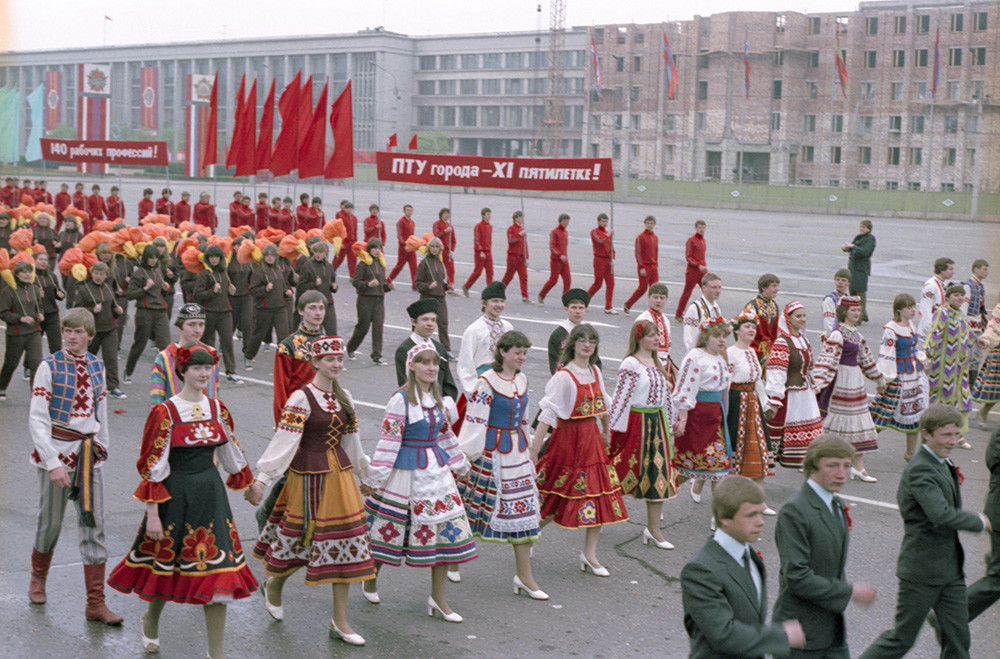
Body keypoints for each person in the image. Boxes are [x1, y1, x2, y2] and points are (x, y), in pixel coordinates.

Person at [107, 344, 257, 657]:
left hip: (211, 495)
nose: (203, 374)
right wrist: (152, 513)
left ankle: (216, 653)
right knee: (167, 566)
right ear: (183, 372)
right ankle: (151, 619)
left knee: (219, 571)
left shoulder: (217, 409)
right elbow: (152, 465)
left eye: (207, 369)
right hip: (175, 496)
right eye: (197, 369)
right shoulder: (166, 412)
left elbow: (230, 451)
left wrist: (249, 484)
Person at [247, 335, 375, 646]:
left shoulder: (346, 397)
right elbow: (284, 442)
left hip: (340, 477)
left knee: (346, 542)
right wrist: (262, 479)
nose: (336, 364)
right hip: (307, 477)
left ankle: (340, 620)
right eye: (330, 359)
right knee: (303, 541)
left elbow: (351, 441)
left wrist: (363, 474)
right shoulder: (301, 398)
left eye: (340, 359)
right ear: (315, 362)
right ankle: (275, 584)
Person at [859, 405, 991, 659]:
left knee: (958, 638)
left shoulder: (942, 462)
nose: (953, 441)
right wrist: (980, 521)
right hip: (922, 570)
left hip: (949, 570)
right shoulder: (921, 468)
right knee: (901, 639)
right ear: (926, 434)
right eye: (946, 435)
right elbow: (939, 514)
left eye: (956, 434)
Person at [361, 345, 477, 622]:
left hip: (437, 474)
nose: (431, 368)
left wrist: (460, 465)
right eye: (424, 363)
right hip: (405, 475)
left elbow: (445, 435)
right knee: (388, 533)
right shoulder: (400, 400)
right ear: (412, 366)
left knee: (446, 535)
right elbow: (389, 443)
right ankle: (370, 579)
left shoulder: (438, 400)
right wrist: (375, 478)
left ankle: (438, 599)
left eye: (434, 363)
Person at [26, 308, 123, 624]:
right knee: (50, 523)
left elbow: (102, 410)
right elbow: (38, 418)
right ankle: (38, 578)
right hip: (56, 455)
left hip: (87, 457)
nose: (70, 336)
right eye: (67, 330)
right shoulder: (48, 366)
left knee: (93, 525)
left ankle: (95, 603)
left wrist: (102, 447)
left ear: (90, 335)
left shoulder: (97, 364)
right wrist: (52, 462)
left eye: (78, 331)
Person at [531, 324, 628, 575]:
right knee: (557, 493)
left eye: (592, 341)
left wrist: (606, 431)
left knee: (598, 494)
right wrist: (534, 450)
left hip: (592, 440)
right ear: (573, 344)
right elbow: (549, 412)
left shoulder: (595, 370)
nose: (587, 345)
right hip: (568, 440)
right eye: (583, 340)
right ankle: (530, 533)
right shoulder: (564, 376)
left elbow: (603, 405)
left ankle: (590, 554)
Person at [456, 330, 546, 598]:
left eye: (524, 353)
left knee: (525, 513)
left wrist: (530, 450)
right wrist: (466, 456)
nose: (521, 357)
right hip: (492, 455)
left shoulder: (522, 380)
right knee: (473, 511)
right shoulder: (486, 382)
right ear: (503, 352)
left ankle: (525, 577)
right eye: (517, 352)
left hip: (517, 455)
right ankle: (451, 561)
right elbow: (476, 420)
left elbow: (523, 419)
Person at [773, 438, 877, 658]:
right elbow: (797, 576)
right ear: (813, 465)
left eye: (847, 466)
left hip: (831, 629)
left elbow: (831, 566)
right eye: (832, 466)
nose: (841, 474)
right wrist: (850, 591)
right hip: (801, 633)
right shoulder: (795, 510)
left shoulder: (835, 503)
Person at [681, 475, 805, 658]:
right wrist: (781, 635)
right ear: (724, 519)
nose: (760, 522)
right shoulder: (700, 570)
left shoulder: (749, 556)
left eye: (760, 513)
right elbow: (723, 634)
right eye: (750, 515)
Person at [607, 320, 677, 549]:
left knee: (658, 475)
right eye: (650, 335)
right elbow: (621, 397)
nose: (656, 338)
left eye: (657, 334)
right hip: (636, 424)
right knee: (615, 473)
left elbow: (664, 397)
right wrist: (612, 430)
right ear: (639, 338)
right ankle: (583, 511)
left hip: (656, 424)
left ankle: (654, 530)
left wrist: (671, 419)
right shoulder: (631, 363)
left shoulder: (657, 362)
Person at [812, 296, 887, 482]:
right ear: (844, 312)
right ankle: (816, 461)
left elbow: (867, 360)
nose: (856, 313)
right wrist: (818, 384)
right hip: (842, 381)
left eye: (858, 310)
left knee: (859, 421)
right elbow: (826, 360)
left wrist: (880, 379)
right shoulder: (838, 334)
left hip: (855, 381)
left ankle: (859, 467)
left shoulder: (857, 335)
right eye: (853, 310)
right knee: (837, 421)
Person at [674, 316, 734, 506]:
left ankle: (719, 518)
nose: (722, 340)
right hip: (697, 417)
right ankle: (661, 497)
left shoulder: (721, 358)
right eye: (717, 336)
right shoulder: (695, 357)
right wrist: (682, 419)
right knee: (687, 466)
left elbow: (724, 390)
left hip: (715, 416)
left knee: (719, 469)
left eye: (724, 335)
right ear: (706, 336)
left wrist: (725, 415)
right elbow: (685, 389)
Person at [871, 293, 930, 461]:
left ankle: (910, 454)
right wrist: (885, 378)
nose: (913, 310)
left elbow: (914, 348)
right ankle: (860, 447)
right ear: (899, 309)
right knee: (883, 412)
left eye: (914, 307)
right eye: (909, 307)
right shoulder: (890, 329)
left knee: (916, 413)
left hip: (914, 375)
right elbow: (886, 355)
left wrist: (922, 359)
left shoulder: (911, 325)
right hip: (899, 376)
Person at [766, 301, 824, 470]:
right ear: (788, 318)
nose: (802, 319)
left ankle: (806, 461)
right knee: (785, 431)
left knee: (812, 431)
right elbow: (776, 371)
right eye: (798, 316)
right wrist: (775, 398)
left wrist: (816, 384)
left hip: (806, 394)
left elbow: (811, 367)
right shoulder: (782, 343)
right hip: (792, 397)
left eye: (804, 316)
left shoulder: (804, 341)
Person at [727, 309, 776, 509]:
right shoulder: (730, 353)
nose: (752, 330)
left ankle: (759, 501)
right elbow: (726, 384)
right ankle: (703, 485)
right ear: (737, 331)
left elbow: (758, 382)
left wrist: (766, 404)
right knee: (736, 452)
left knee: (758, 450)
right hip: (737, 404)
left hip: (753, 406)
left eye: (754, 327)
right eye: (747, 326)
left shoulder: (751, 352)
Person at [924, 284, 974, 438]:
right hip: (943, 366)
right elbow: (934, 333)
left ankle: (957, 434)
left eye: (962, 295)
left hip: (960, 367)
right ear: (948, 297)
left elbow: (970, 336)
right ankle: (933, 430)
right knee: (941, 397)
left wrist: (979, 341)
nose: (960, 298)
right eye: (956, 295)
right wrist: (927, 355)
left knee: (962, 398)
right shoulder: (942, 312)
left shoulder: (962, 315)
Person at [456, 281, 513, 408]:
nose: (499, 305)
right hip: (481, 384)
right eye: (495, 301)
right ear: (484, 303)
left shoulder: (508, 327)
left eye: (502, 301)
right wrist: (473, 390)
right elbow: (465, 363)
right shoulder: (474, 330)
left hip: (503, 383)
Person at [149, 303, 219, 406]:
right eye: (191, 324)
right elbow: (156, 399)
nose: (197, 330)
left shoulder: (210, 353)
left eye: (201, 324)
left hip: (207, 417)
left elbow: (215, 390)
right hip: (177, 417)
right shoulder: (165, 357)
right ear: (178, 326)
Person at [74, 261, 126, 398]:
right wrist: (92, 310)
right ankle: (81, 384)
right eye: (96, 273)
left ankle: (113, 387)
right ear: (91, 274)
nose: (98, 276)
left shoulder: (109, 288)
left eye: (101, 274)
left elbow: (112, 307)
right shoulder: (84, 288)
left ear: (106, 276)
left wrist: (117, 311)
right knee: (87, 358)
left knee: (111, 358)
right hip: (92, 330)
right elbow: (77, 309)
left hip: (110, 328)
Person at [123, 244, 172, 384]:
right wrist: (145, 288)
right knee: (140, 343)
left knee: (165, 345)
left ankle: (168, 376)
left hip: (160, 311)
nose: (153, 261)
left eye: (156, 258)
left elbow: (160, 292)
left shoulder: (158, 271)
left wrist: (165, 289)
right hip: (145, 312)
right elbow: (130, 294)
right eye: (151, 258)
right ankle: (129, 369)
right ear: (145, 258)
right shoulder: (139, 273)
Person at [394, 298, 458, 400]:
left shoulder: (439, 348)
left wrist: (446, 404)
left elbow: (448, 382)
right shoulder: (405, 349)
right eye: (425, 319)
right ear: (413, 322)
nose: (430, 324)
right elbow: (405, 383)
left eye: (433, 320)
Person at [194, 245, 240, 383]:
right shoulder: (205, 273)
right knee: (208, 343)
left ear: (220, 258)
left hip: (225, 312)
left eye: (216, 257)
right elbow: (197, 294)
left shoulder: (224, 271)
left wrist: (230, 289)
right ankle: (208, 370)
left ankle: (231, 371)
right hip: (209, 312)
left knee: (227, 341)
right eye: (211, 257)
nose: (214, 260)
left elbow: (226, 290)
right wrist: (212, 292)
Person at [243, 244, 293, 368]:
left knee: (284, 336)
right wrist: (265, 289)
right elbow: (253, 290)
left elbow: (281, 283)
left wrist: (286, 290)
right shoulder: (259, 272)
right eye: (268, 255)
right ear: (264, 256)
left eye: (273, 255)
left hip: (280, 307)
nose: (270, 258)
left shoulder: (277, 269)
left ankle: (285, 363)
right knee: (258, 335)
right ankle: (249, 356)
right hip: (264, 309)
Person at [0, 260, 44, 398]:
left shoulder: (35, 289)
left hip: (34, 332)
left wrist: (40, 314)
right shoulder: (8, 291)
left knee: (36, 364)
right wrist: (20, 318)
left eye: (29, 272)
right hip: (16, 334)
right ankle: (1, 387)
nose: (27, 275)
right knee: (10, 364)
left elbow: (39, 307)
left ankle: (36, 395)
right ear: (17, 274)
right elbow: (3, 313)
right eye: (23, 272)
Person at [346, 238, 393, 366]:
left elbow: (382, 285)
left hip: (379, 299)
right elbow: (356, 282)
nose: (377, 251)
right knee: (363, 326)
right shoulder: (362, 264)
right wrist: (368, 284)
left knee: (378, 327)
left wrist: (388, 287)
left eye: (379, 248)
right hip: (365, 299)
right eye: (374, 248)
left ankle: (376, 355)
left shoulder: (380, 264)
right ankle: (351, 347)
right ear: (369, 250)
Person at [414, 237, 454, 353]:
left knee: (443, 323)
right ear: (428, 248)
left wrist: (447, 287)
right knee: (425, 326)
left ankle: (446, 350)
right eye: (432, 246)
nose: (435, 249)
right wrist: (428, 286)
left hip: (440, 297)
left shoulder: (439, 262)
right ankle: (420, 347)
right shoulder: (424, 263)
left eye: (437, 247)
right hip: (428, 297)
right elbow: (417, 283)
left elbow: (440, 282)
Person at [547, 288, 595, 374]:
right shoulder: (559, 334)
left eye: (581, 308)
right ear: (566, 309)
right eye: (573, 307)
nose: (577, 312)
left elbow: (595, 360)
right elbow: (556, 362)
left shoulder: (589, 333)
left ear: (585, 310)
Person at [293, 241, 337, 335]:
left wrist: (334, 287)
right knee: (316, 333)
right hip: (314, 303)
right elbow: (300, 286)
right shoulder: (308, 265)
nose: (317, 254)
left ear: (325, 253)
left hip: (328, 303)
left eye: (320, 252)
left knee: (332, 332)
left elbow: (333, 282)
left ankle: (334, 350)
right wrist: (314, 284)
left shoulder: (329, 266)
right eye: (316, 251)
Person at [634, 282, 675, 376]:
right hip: (648, 364)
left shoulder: (666, 320)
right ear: (649, 297)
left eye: (662, 298)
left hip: (665, 365)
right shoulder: (643, 319)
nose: (658, 301)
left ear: (666, 299)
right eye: (655, 297)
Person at [624, 216, 659, 314]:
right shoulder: (640, 237)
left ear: (654, 224)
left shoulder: (655, 237)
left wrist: (656, 265)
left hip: (653, 267)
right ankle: (628, 304)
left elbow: (656, 252)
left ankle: (654, 309)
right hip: (645, 266)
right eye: (648, 223)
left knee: (655, 289)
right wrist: (641, 267)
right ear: (645, 224)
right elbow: (638, 253)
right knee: (643, 288)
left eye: (651, 223)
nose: (650, 225)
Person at [744, 273, 781, 369]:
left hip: (770, 352)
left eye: (777, 286)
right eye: (774, 286)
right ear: (763, 287)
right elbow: (746, 335)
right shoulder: (752, 306)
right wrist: (760, 356)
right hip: (755, 351)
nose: (777, 289)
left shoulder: (774, 306)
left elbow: (774, 334)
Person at [842, 219, 875, 322]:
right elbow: (853, 247)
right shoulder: (858, 237)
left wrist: (853, 247)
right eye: (860, 227)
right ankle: (863, 315)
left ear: (868, 229)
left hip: (861, 269)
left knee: (860, 294)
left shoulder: (870, 239)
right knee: (852, 291)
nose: (861, 229)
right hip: (852, 268)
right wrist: (846, 248)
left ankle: (858, 318)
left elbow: (865, 251)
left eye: (863, 227)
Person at [963, 259, 989, 388]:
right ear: (976, 269)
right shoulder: (968, 285)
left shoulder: (980, 286)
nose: (987, 272)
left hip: (978, 325)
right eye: (984, 269)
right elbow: (963, 310)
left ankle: (972, 383)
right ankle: (968, 383)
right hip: (970, 326)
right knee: (970, 357)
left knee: (977, 357)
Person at [33, 251, 65, 354]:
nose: (43, 262)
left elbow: (57, 292)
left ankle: (56, 367)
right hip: (37, 315)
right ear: (34, 261)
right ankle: (29, 367)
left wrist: (61, 295)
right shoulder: (31, 276)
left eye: (45, 260)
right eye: (40, 259)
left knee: (56, 345)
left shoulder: (52, 276)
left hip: (52, 314)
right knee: (34, 346)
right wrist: (37, 295)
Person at [682, 272, 723, 352]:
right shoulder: (695, 309)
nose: (718, 291)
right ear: (704, 288)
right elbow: (688, 337)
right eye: (714, 287)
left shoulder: (717, 308)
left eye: (719, 287)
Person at [675, 220, 707, 320]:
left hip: (702, 271)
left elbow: (702, 256)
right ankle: (679, 314)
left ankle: (707, 312)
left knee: (707, 291)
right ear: (696, 228)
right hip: (693, 271)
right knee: (687, 293)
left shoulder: (703, 240)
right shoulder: (691, 240)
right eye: (700, 228)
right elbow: (688, 257)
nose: (702, 230)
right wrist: (698, 265)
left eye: (703, 227)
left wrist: (704, 267)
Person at [585, 212, 616, 314]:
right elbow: (599, 241)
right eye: (603, 221)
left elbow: (611, 247)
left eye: (606, 221)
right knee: (598, 284)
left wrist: (613, 259)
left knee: (611, 284)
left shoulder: (608, 233)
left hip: (608, 261)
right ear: (598, 221)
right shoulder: (594, 232)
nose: (605, 223)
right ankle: (584, 301)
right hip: (599, 260)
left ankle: (608, 306)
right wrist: (608, 235)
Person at [919, 257, 955, 342]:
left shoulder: (943, 285)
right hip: (930, 332)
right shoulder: (931, 286)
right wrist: (931, 331)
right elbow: (926, 310)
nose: (953, 272)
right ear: (942, 270)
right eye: (950, 269)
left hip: (940, 331)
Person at [537, 213, 571, 304]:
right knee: (553, 280)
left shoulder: (565, 232)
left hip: (564, 260)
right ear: (560, 221)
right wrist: (560, 255)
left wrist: (564, 256)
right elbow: (552, 247)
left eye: (567, 221)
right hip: (556, 260)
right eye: (564, 221)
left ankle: (566, 299)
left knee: (568, 280)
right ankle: (541, 294)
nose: (566, 223)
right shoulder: (554, 232)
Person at [500, 210, 531, 303]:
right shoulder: (511, 229)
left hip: (521, 258)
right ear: (516, 218)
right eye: (521, 217)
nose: (522, 219)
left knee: (524, 277)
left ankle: (525, 297)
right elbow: (511, 240)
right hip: (513, 257)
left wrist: (527, 257)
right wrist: (519, 235)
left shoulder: (522, 229)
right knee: (509, 276)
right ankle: (499, 290)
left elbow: (524, 245)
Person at [462, 207, 493, 296]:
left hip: (488, 252)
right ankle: (466, 286)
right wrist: (481, 251)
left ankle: (490, 291)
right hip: (480, 253)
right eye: (488, 214)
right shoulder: (478, 226)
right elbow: (476, 240)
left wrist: (489, 250)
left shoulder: (490, 227)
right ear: (483, 215)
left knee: (490, 272)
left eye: (490, 214)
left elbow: (489, 240)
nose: (489, 216)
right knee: (477, 272)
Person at [55, 213, 83, 307]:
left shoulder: (79, 235)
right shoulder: (62, 234)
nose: (67, 223)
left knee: (71, 285)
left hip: (74, 263)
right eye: (66, 221)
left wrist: (78, 247)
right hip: (63, 262)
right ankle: (74, 299)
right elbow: (57, 250)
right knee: (65, 285)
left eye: (70, 222)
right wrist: (57, 247)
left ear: (75, 224)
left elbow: (84, 249)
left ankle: (70, 306)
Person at [387, 204, 418, 287]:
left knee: (414, 267)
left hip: (411, 248)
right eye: (408, 210)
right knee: (399, 266)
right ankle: (388, 281)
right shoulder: (401, 222)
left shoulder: (412, 222)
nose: (409, 212)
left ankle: (415, 285)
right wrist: (404, 244)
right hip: (403, 248)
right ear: (404, 211)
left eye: (411, 210)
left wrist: (414, 245)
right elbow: (399, 235)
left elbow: (412, 236)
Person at [431, 207, 456, 289]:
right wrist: (445, 231)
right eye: (445, 213)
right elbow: (436, 235)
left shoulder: (450, 226)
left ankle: (450, 285)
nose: (446, 215)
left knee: (451, 269)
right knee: (437, 269)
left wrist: (451, 250)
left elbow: (453, 240)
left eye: (448, 214)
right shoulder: (437, 224)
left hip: (447, 250)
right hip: (438, 250)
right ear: (441, 215)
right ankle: (436, 285)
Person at [331, 201, 358, 276]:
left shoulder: (354, 218)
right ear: (344, 209)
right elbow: (338, 231)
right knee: (339, 258)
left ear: (352, 209)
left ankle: (352, 276)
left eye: (350, 208)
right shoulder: (342, 218)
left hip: (352, 242)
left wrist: (355, 241)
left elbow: (355, 230)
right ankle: (332, 271)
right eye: (347, 208)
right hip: (344, 241)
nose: (349, 210)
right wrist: (340, 243)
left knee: (352, 259)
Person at [822, 269, 852, 336]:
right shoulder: (830, 299)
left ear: (848, 283)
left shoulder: (847, 298)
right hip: (833, 337)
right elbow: (829, 323)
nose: (840, 282)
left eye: (843, 280)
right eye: (838, 280)